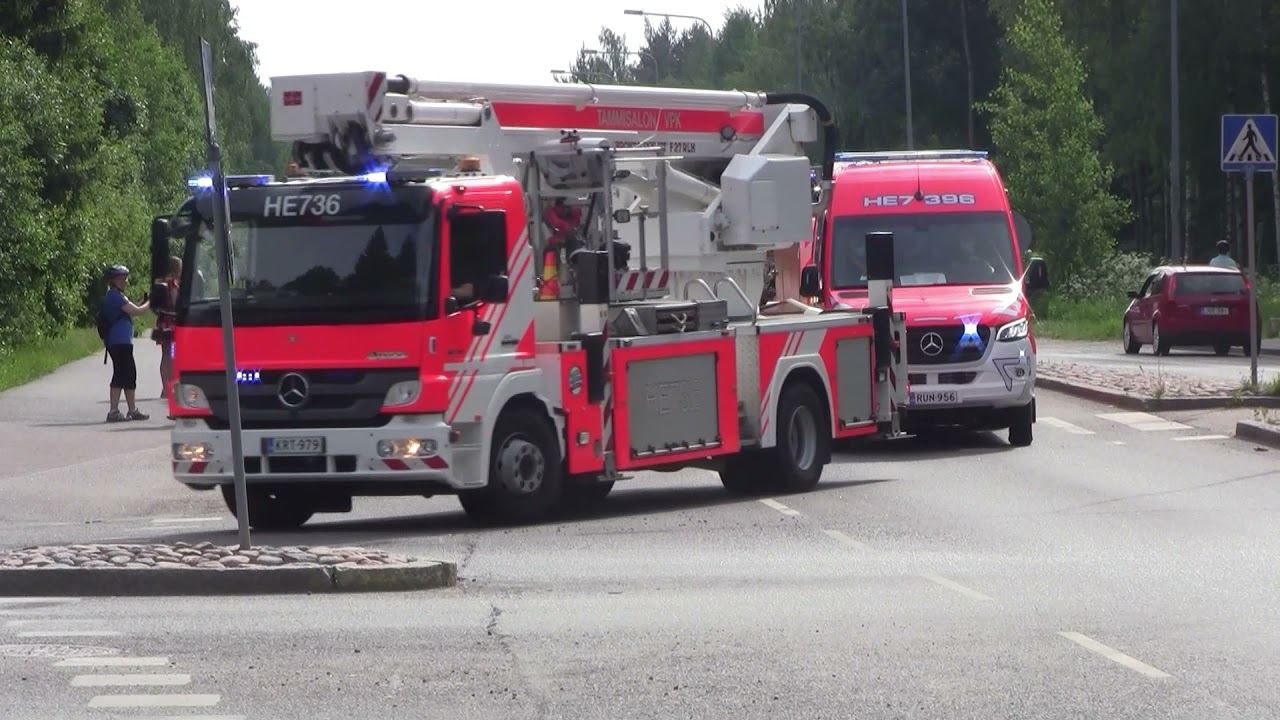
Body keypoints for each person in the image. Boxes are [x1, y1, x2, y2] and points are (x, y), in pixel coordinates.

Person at [102, 265, 151, 422]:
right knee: (123, 375)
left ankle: (129, 410)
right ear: (114, 280)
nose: (126, 281)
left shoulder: (114, 296)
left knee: (126, 374)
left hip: (119, 341)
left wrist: (141, 302)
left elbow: (130, 310)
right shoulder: (115, 296)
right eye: (123, 278)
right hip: (119, 342)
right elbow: (137, 311)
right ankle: (116, 411)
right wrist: (149, 303)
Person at [150, 256, 182, 399]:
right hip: (173, 325)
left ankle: (165, 388)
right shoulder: (174, 285)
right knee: (174, 355)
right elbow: (176, 304)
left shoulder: (159, 284)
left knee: (165, 357)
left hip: (163, 323)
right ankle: (173, 386)